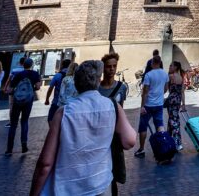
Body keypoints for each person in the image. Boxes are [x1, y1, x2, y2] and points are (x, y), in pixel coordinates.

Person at [30, 60, 137, 196]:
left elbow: (45, 164)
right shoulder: (113, 106)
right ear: (98, 81)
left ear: (76, 83)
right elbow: (129, 141)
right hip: (101, 186)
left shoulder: (64, 113)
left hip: (67, 188)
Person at [97, 53, 129, 195]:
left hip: (114, 135)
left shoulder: (122, 87)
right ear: (103, 68)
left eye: (114, 66)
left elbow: (121, 109)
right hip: (99, 134)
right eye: (108, 66)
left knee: (114, 170)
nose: (111, 69)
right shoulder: (97, 88)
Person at [4, 56, 42, 155]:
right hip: (28, 101)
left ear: (23, 65)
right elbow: (38, 87)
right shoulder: (35, 74)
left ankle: (9, 149)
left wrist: (14, 92)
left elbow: (10, 89)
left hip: (17, 101)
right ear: (31, 65)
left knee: (13, 124)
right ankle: (24, 144)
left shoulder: (19, 74)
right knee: (24, 121)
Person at [134, 56, 167, 158]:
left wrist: (142, 106)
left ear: (152, 63)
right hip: (159, 104)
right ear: (160, 62)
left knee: (143, 127)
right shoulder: (165, 74)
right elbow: (166, 89)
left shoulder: (148, 75)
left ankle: (142, 149)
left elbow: (145, 92)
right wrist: (159, 95)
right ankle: (163, 147)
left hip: (148, 105)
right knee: (160, 125)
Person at [166, 61, 187, 151]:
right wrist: (183, 104)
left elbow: (165, 89)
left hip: (171, 100)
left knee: (174, 121)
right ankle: (168, 140)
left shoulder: (171, 76)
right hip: (178, 100)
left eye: (171, 66)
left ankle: (177, 142)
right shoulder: (181, 77)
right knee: (172, 119)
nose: (169, 67)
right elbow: (182, 92)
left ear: (175, 67)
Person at [44, 59, 71, 123]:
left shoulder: (58, 75)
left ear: (62, 65)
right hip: (68, 103)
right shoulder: (73, 77)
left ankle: (55, 131)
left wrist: (47, 99)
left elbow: (50, 88)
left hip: (57, 102)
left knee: (50, 119)